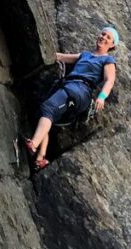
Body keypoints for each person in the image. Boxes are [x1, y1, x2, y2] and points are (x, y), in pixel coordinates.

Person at [26, 26, 119, 170]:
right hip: (69, 87)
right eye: (103, 34)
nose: (104, 37)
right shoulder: (85, 55)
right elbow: (61, 57)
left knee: (49, 108)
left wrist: (102, 97)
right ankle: (41, 158)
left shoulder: (108, 60)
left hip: (80, 91)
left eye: (108, 37)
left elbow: (109, 80)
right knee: (47, 114)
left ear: (112, 45)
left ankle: (33, 145)